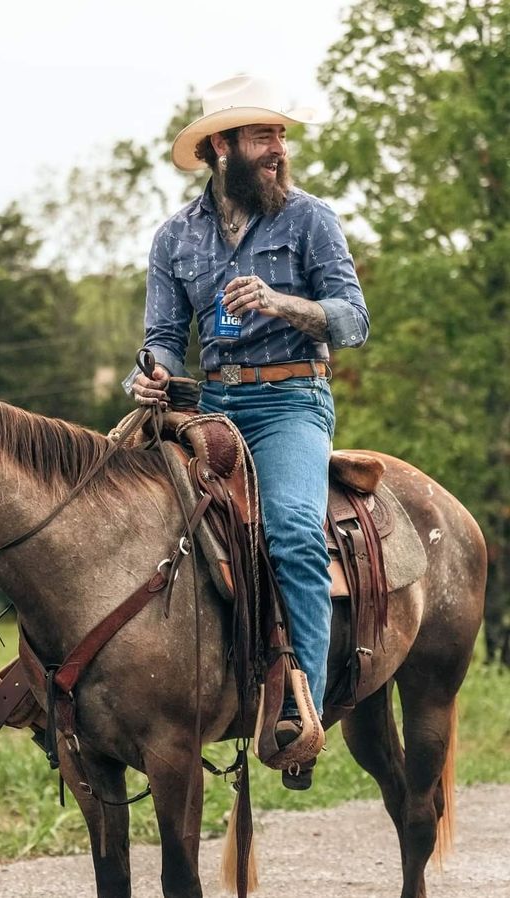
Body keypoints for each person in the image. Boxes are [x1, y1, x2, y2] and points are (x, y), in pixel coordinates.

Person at [126, 73, 369, 786]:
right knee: (122, 514)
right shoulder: (174, 238)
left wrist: (283, 304)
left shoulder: (309, 219)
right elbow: (165, 337)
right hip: (208, 411)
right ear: (219, 148)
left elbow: (354, 321)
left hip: (291, 403)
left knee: (292, 528)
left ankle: (304, 714)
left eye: (279, 136)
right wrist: (148, 374)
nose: (277, 148)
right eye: (261, 136)